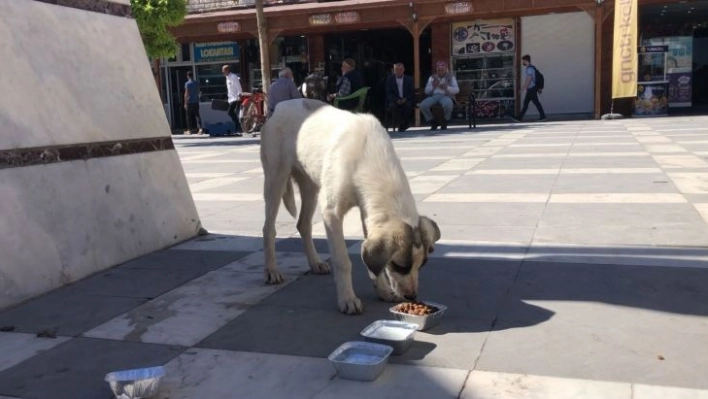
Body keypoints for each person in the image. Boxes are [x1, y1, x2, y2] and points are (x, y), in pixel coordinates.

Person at [420, 61, 459, 130]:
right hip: (434, 96)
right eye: (439, 69)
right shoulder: (432, 78)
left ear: (446, 68)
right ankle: (432, 121)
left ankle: (445, 121)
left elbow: (456, 90)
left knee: (448, 104)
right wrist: (433, 86)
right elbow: (426, 91)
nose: (440, 71)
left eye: (442, 69)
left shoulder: (451, 77)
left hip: (446, 96)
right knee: (423, 105)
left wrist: (447, 87)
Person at [514, 55, 546, 122]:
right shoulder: (533, 67)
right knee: (526, 103)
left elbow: (528, 80)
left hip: (531, 88)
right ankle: (519, 117)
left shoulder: (529, 69)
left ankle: (543, 116)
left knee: (536, 102)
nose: (522, 62)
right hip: (531, 88)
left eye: (523, 61)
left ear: (526, 60)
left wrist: (522, 89)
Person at [385, 62, 415, 132]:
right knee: (394, 107)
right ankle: (402, 124)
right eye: (397, 69)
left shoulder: (409, 79)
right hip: (395, 100)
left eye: (400, 69)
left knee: (408, 106)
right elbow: (389, 92)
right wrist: (396, 99)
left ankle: (405, 124)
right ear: (394, 70)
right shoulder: (390, 79)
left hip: (406, 99)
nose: (398, 71)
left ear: (403, 70)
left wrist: (405, 98)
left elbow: (411, 91)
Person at [222, 64, 243, 135]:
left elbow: (238, 85)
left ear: (227, 70)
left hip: (235, 98)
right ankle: (238, 128)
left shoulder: (233, 76)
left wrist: (239, 94)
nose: (222, 72)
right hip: (230, 98)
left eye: (223, 70)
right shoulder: (227, 77)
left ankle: (239, 127)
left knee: (230, 112)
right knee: (232, 113)